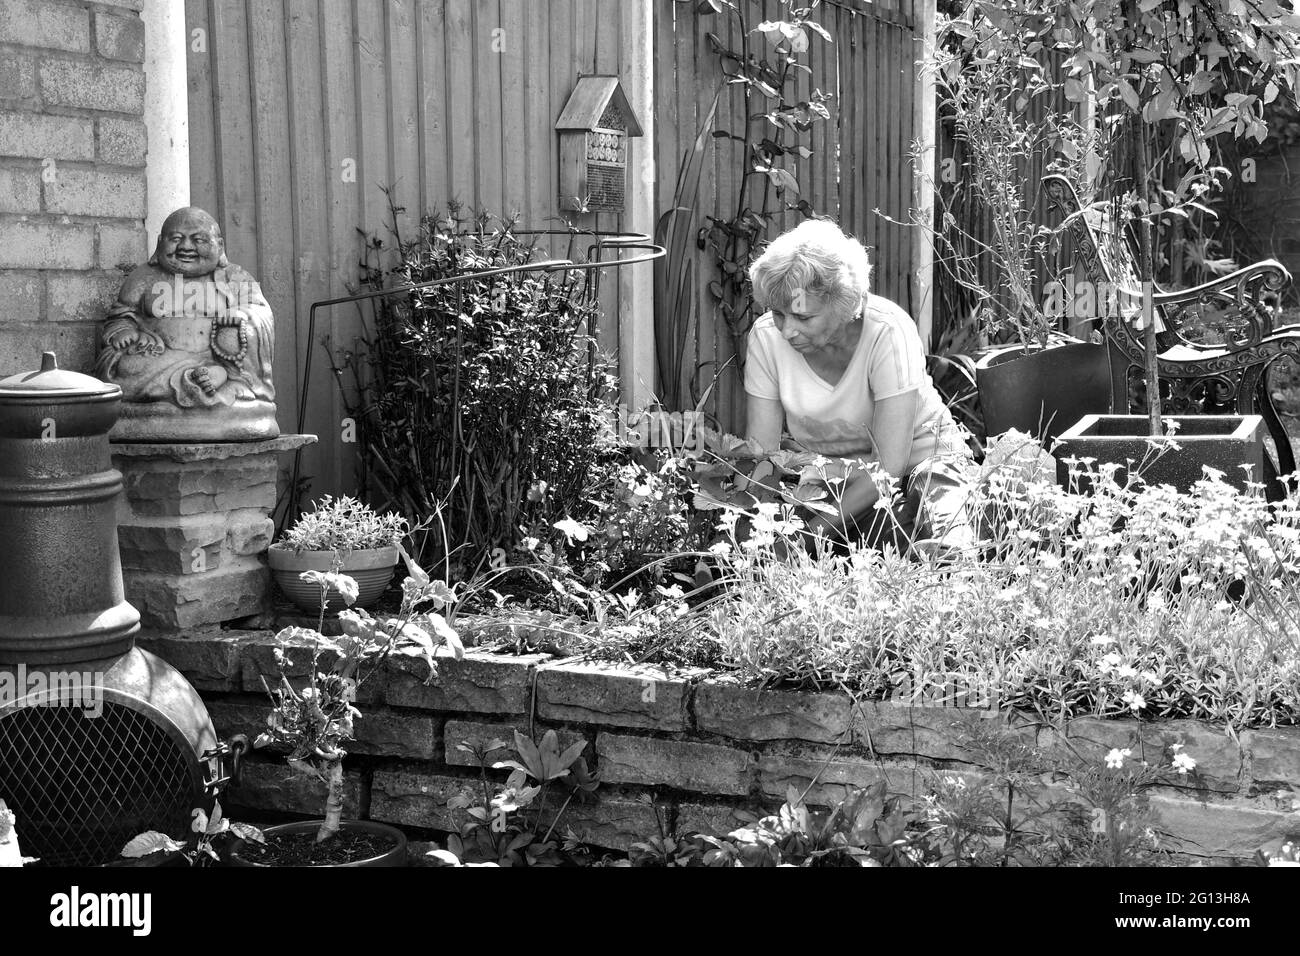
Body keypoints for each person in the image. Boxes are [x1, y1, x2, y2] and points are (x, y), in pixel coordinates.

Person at [743, 218, 976, 556]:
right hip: (836, 479)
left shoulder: (887, 331)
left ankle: (957, 565)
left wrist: (812, 533)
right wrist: (749, 527)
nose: (787, 330)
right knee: (874, 540)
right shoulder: (766, 338)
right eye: (779, 314)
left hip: (920, 464)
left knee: (936, 514)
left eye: (803, 317)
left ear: (843, 304)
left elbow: (888, 469)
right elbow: (761, 459)